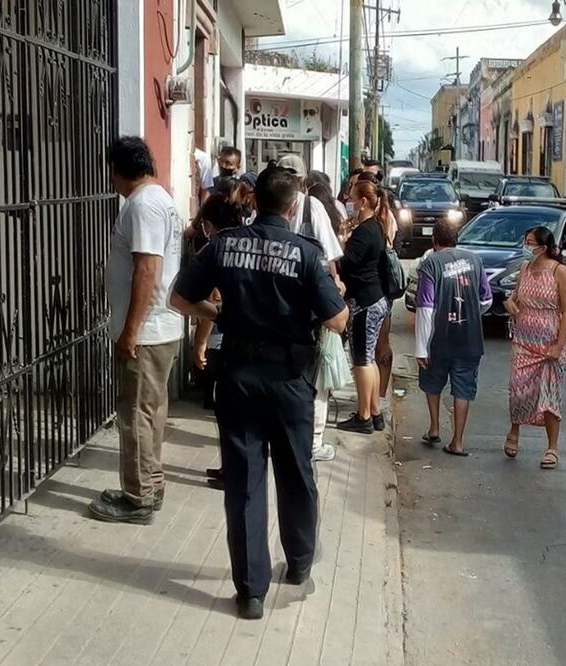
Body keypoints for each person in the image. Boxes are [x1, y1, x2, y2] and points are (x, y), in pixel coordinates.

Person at [169, 166, 349, 620]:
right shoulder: (306, 254)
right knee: (296, 471)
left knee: (245, 481)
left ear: (255, 202)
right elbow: (339, 320)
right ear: (292, 207)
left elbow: (178, 299)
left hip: (239, 375)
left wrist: (221, 315)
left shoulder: (224, 244)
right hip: (289, 380)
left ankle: (250, 591)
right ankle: (300, 561)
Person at [89, 136, 184, 525]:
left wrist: (130, 331)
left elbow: (148, 269)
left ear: (117, 169)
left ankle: (138, 497)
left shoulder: (143, 205)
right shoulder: (160, 200)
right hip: (160, 327)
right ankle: (151, 483)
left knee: (135, 415)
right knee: (150, 410)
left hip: (146, 332)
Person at [278, 155, 345, 461]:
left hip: (282, 305)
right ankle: (313, 442)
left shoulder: (270, 204)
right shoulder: (311, 206)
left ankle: (289, 436)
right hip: (308, 307)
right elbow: (329, 256)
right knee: (316, 375)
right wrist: (334, 292)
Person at [415, 220, 493, 457]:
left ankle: (434, 428)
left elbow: (425, 308)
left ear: (434, 240)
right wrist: (470, 313)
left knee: (432, 382)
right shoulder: (475, 260)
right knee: (463, 389)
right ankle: (458, 441)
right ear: (456, 238)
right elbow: (486, 299)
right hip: (469, 339)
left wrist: (421, 348)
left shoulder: (430, 263)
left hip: (439, 340)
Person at [190, 192, 250, 489]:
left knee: (228, 412)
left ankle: (234, 471)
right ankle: (231, 468)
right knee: (235, 414)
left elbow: (210, 300)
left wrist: (199, 342)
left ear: (211, 224)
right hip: (248, 342)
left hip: (223, 341)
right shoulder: (246, 246)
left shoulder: (218, 250)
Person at [503, 227, 566, 470]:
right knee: (518, 388)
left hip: (548, 342)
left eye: (530, 242)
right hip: (523, 340)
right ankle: (514, 430)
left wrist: (558, 345)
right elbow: (515, 296)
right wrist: (510, 303)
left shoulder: (559, 271)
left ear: (543, 247)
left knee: (548, 394)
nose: (526, 244)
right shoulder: (525, 268)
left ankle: (552, 447)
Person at [337, 179, 392, 434]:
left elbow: (346, 263)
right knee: (368, 358)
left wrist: (337, 246)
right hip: (374, 299)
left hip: (365, 303)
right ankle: (374, 412)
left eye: (351, 199)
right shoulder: (375, 227)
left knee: (362, 360)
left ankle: (364, 415)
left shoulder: (365, 231)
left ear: (363, 202)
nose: (348, 203)